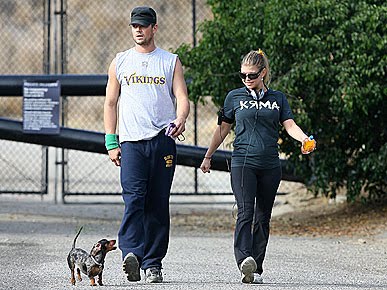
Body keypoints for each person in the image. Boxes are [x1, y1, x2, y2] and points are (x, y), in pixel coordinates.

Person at [200, 49, 315, 284]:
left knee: (263, 216)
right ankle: (244, 260)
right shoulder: (234, 97)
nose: (246, 79)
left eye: (251, 75)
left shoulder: (278, 99)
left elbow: (289, 124)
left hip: (270, 164)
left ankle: (257, 268)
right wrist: (208, 155)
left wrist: (304, 139)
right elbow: (222, 129)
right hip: (243, 162)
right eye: (243, 75)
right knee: (245, 211)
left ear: (263, 73)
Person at [104, 6, 190, 283]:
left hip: (162, 142)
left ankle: (153, 264)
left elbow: (182, 98)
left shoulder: (169, 61)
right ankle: (131, 254)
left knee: (157, 203)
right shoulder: (121, 61)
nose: (138, 30)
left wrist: (181, 118)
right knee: (133, 200)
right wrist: (110, 141)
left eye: (143, 25)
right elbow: (110, 102)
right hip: (131, 143)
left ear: (154, 27)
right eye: (134, 26)